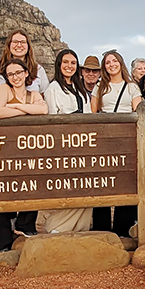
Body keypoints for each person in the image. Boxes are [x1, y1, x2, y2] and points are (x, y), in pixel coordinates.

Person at [0, 59, 48, 252]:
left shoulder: (34, 94)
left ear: (26, 73)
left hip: (29, 150)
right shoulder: (4, 91)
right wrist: (26, 110)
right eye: (10, 74)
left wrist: (15, 108)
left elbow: (43, 110)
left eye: (18, 72)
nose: (15, 77)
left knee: (33, 184)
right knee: (3, 191)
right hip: (5, 149)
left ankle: (26, 225)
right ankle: (4, 241)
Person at [91, 50, 141, 236]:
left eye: (114, 61)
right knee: (102, 180)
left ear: (121, 63)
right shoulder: (100, 87)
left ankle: (123, 227)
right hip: (105, 137)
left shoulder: (132, 87)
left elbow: (139, 110)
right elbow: (94, 112)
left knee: (125, 180)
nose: (111, 64)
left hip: (126, 137)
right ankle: (101, 227)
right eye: (107, 62)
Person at [44, 49, 94, 233]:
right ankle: (58, 226)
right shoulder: (53, 89)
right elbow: (51, 118)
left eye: (73, 63)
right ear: (59, 64)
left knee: (86, 185)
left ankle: (80, 227)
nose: (69, 66)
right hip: (64, 145)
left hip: (83, 144)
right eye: (65, 62)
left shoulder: (80, 89)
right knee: (71, 188)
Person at [0, 29, 49, 95]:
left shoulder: (38, 70)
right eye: (15, 42)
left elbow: (45, 94)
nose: (19, 45)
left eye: (23, 42)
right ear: (9, 44)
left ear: (28, 46)